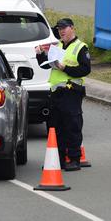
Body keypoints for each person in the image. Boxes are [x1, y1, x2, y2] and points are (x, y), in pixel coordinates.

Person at [35, 18, 90, 171]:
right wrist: (40, 55)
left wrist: (64, 68)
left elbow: (85, 70)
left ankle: (74, 159)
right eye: (59, 29)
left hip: (71, 91)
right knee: (55, 126)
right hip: (56, 93)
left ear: (72, 28)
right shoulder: (57, 46)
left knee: (72, 126)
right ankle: (58, 158)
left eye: (64, 28)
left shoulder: (81, 47)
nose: (61, 31)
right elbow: (47, 66)